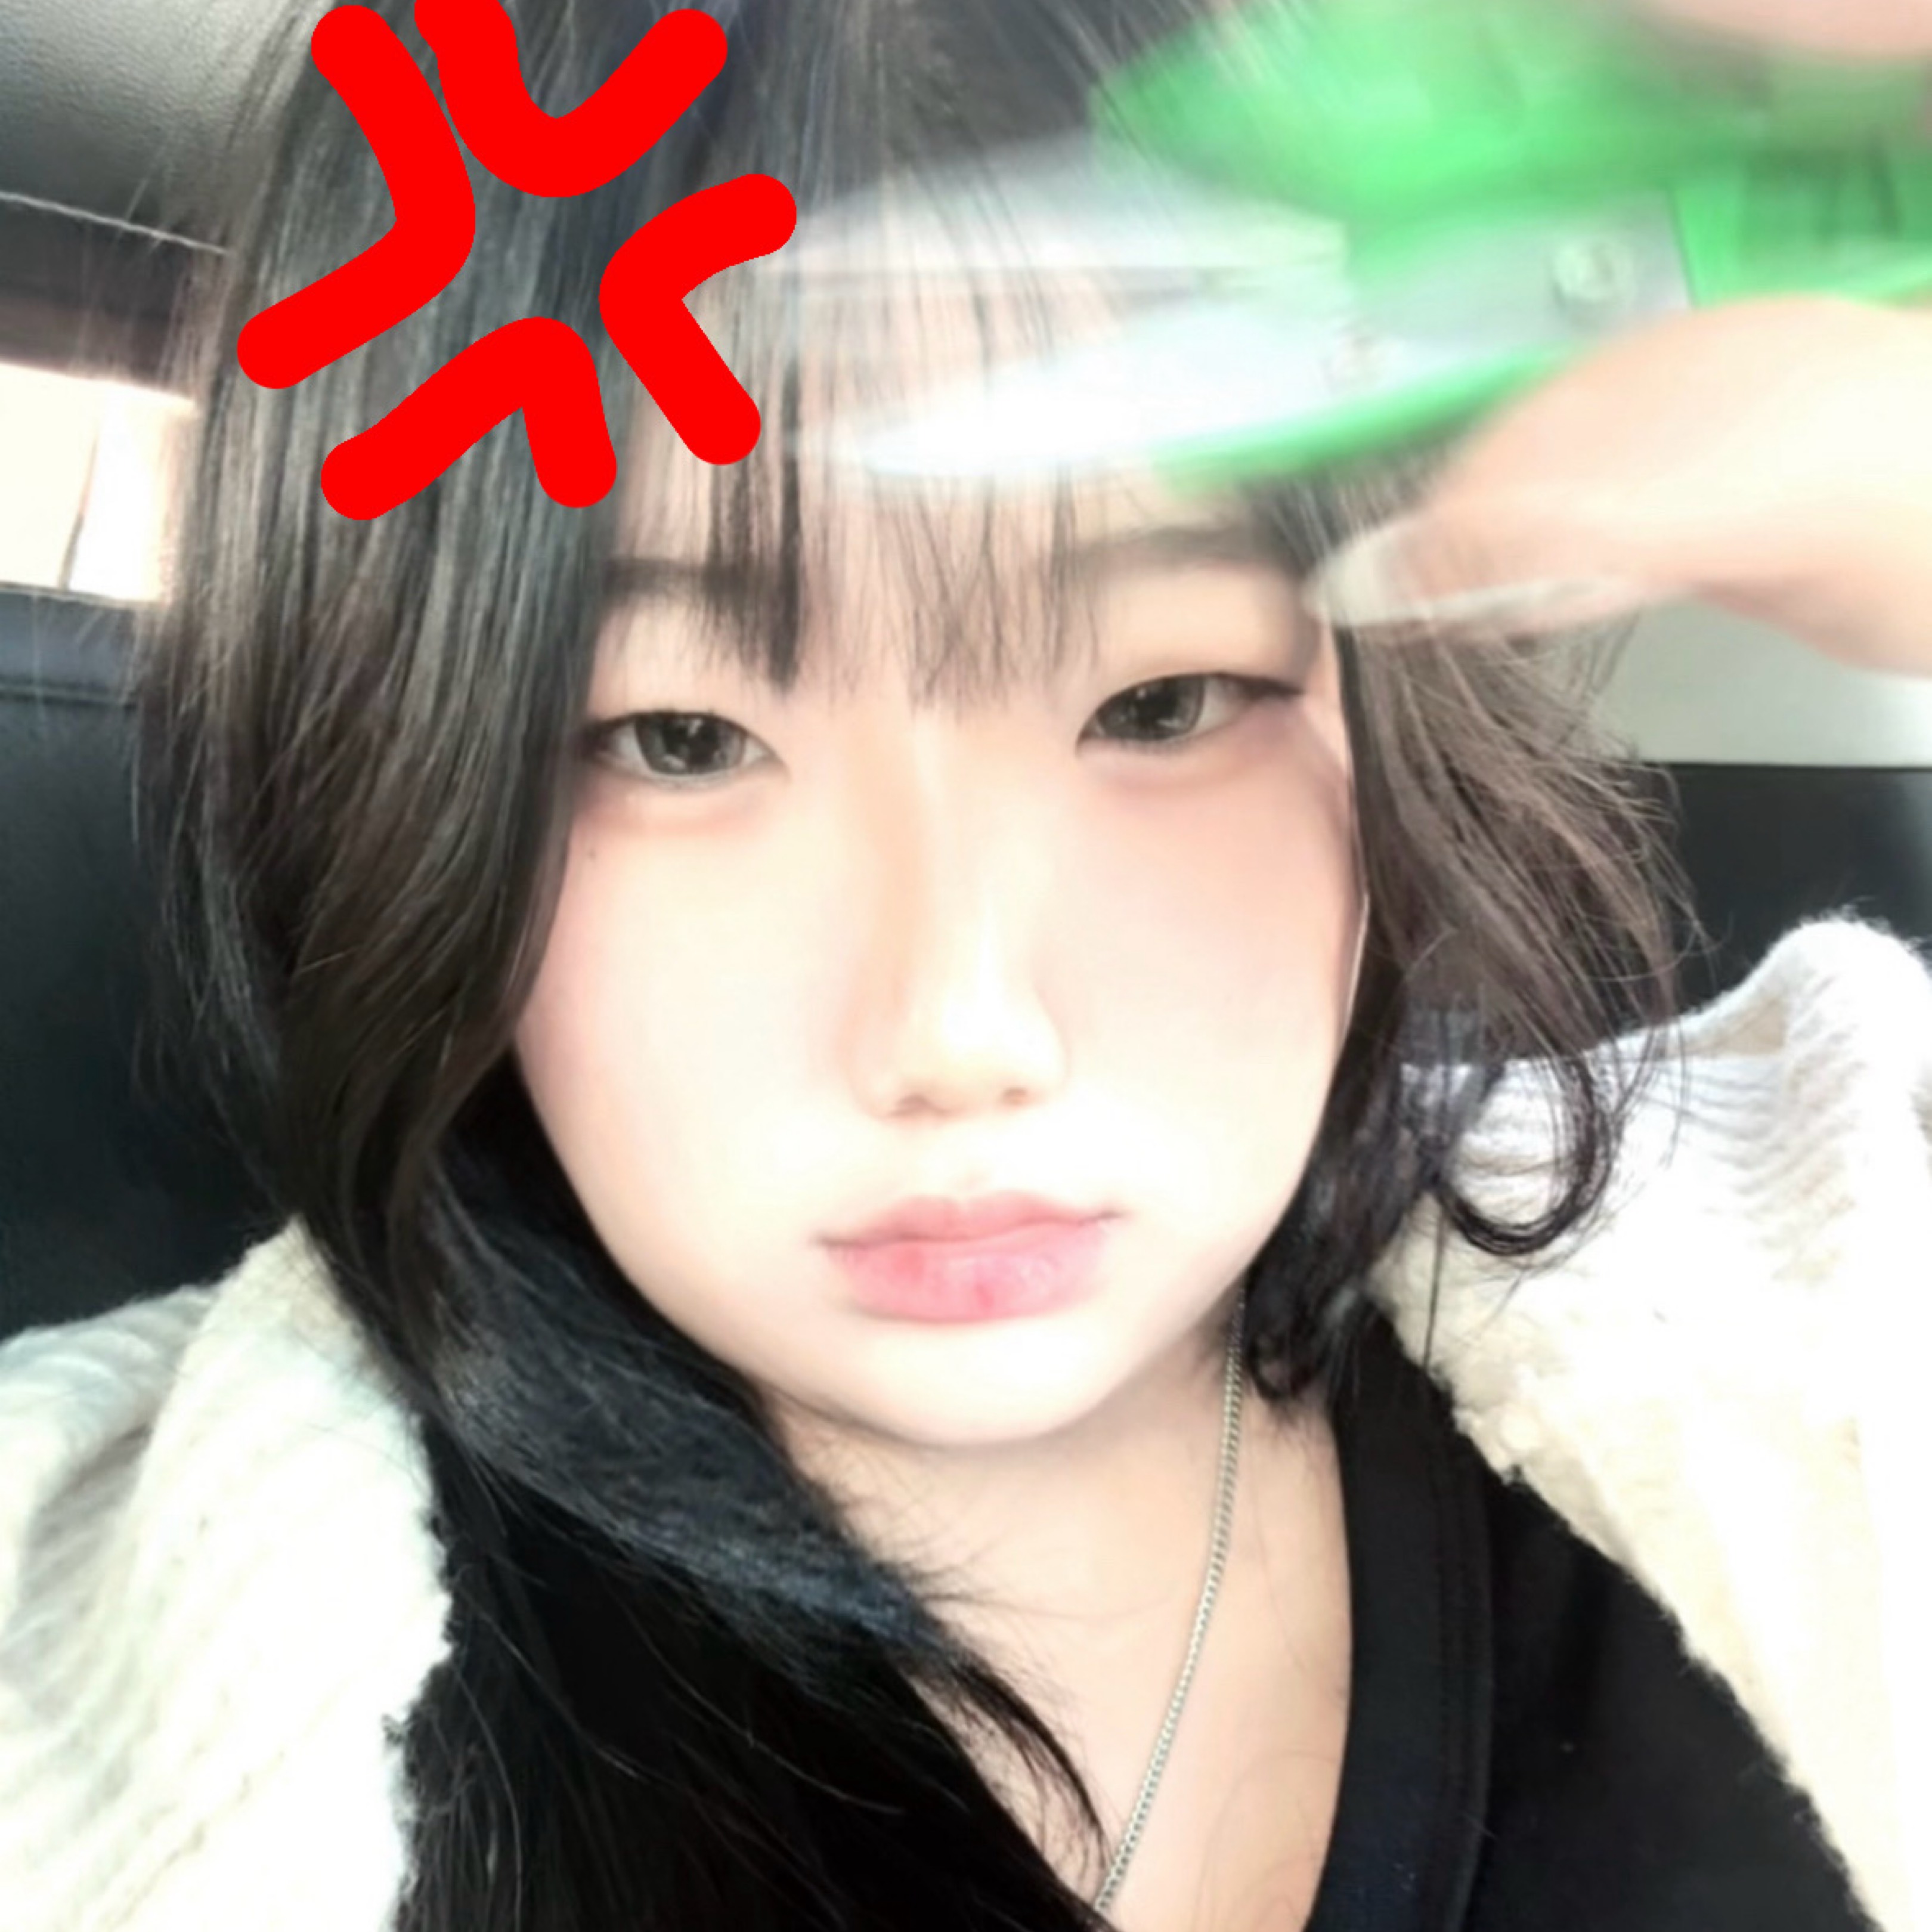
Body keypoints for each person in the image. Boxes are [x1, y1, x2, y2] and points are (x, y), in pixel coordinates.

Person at [2, 1, 1929, 1929]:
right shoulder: (102, 1669)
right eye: (681, 738)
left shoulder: (1832, 1284)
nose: (961, 1029)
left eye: (1162, 701)